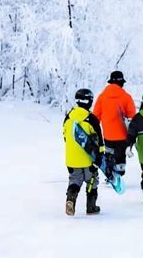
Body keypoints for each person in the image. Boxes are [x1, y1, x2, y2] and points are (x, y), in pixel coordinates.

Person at [62, 88, 105, 216]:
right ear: (89, 101)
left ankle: (70, 200)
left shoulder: (68, 117)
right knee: (92, 180)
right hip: (88, 159)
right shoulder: (91, 119)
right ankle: (91, 207)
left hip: (71, 159)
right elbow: (100, 140)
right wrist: (100, 156)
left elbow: (64, 136)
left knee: (75, 181)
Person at [93, 70, 136, 177]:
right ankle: (120, 171)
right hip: (123, 135)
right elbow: (132, 117)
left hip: (108, 135)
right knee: (120, 155)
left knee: (109, 154)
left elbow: (95, 117)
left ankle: (110, 171)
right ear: (122, 83)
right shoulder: (127, 97)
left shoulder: (102, 97)